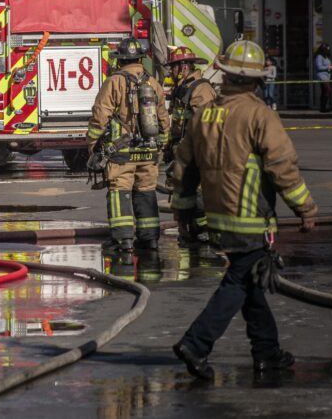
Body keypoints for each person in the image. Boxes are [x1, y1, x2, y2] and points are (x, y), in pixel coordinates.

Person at [172, 39, 318, 380]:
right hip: (250, 216)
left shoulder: (204, 115)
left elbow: (184, 168)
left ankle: (267, 352)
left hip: (218, 217)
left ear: (224, 75)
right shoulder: (259, 115)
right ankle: (196, 343)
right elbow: (283, 167)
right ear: (255, 81)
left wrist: (182, 211)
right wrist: (305, 209)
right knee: (238, 282)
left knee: (251, 282)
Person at [86, 37, 170, 252]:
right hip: (148, 150)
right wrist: (161, 147)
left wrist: (93, 142)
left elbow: (100, 114)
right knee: (146, 191)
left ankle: (123, 240)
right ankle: (150, 238)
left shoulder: (114, 81)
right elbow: (163, 119)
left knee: (119, 191)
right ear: (140, 59)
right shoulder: (153, 83)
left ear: (120, 60)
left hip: (121, 151)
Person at [164, 46, 216, 246]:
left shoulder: (201, 89)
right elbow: (179, 125)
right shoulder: (183, 88)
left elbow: (208, 124)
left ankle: (205, 231)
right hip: (183, 153)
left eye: (174, 68)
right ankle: (190, 233)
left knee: (199, 195)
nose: (172, 73)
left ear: (184, 67)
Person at [313, 43, 332, 113]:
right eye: (327, 49)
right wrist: (329, 67)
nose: (328, 50)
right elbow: (319, 67)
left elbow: (328, 65)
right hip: (322, 76)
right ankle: (323, 107)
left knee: (324, 92)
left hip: (328, 75)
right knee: (327, 90)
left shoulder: (326, 57)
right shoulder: (319, 56)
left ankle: (323, 108)